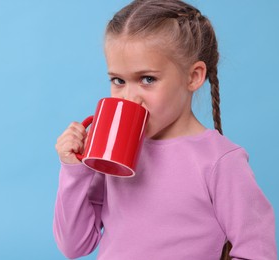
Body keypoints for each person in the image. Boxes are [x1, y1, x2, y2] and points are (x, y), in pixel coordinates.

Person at [53, 0, 277, 259]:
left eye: (147, 79)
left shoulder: (221, 161)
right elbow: (74, 246)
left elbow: (257, 252)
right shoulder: (110, 153)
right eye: (118, 80)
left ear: (193, 76)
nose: (129, 98)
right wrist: (74, 171)